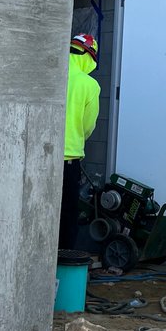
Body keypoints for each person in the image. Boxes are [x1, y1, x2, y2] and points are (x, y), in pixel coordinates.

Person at [58, 33, 100, 251]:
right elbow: (88, 126)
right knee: (66, 215)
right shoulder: (89, 85)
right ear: (89, 57)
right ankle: (61, 268)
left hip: (40, 155)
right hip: (69, 159)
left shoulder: (52, 74)